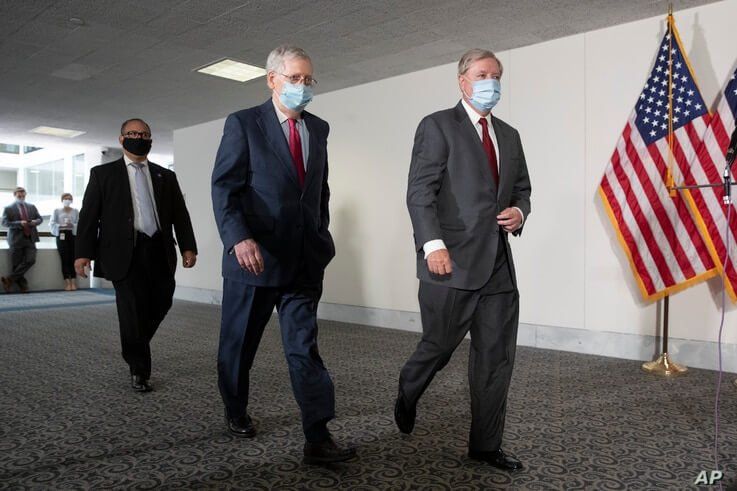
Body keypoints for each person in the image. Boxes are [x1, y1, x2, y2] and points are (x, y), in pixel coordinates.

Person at [211, 44, 355, 465]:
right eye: (294, 78)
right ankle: (235, 409)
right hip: (253, 259)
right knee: (239, 346)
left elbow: (319, 191)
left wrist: (321, 235)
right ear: (272, 79)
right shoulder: (244, 124)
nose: (302, 86)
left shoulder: (319, 129)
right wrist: (239, 238)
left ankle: (317, 435)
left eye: (308, 79)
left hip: (303, 261)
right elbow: (225, 188)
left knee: (304, 349)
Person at [396, 49, 532, 471]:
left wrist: (519, 211)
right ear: (462, 81)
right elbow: (420, 191)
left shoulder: (508, 135)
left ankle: (485, 445)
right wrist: (432, 245)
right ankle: (408, 390)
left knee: (495, 359)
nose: (490, 82)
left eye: (496, 75)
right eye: (481, 75)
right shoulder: (438, 126)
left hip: (497, 268)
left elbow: (522, 188)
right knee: (438, 347)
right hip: (449, 263)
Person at [75, 118, 197, 393]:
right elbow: (88, 217)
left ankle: (135, 344)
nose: (139, 138)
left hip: (159, 250)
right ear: (121, 139)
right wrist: (82, 254)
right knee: (131, 310)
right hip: (122, 253)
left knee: (162, 301)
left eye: (145, 134)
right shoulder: (102, 174)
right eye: (133, 133)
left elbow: (180, 214)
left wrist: (189, 246)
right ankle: (139, 369)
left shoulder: (165, 176)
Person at [2, 187, 42, 293]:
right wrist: (19, 223)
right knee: (16, 264)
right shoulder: (8, 208)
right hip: (16, 239)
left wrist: (34, 222)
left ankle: (9, 279)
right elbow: (4, 223)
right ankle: (23, 287)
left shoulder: (32, 207)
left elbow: (40, 219)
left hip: (30, 238)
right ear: (14, 195)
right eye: (19, 196)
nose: (21, 197)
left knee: (30, 260)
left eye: (23, 196)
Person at [49, 193, 79, 291]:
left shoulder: (75, 211)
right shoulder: (56, 211)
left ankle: (74, 282)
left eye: (69, 198)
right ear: (62, 200)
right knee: (64, 259)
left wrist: (72, 225)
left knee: (73, 258)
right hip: (61, 235)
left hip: (72, 235)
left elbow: (78, 223)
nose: (67, 200)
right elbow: (52, 223)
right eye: (65, 198)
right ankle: (67, 282)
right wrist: (60, 226)